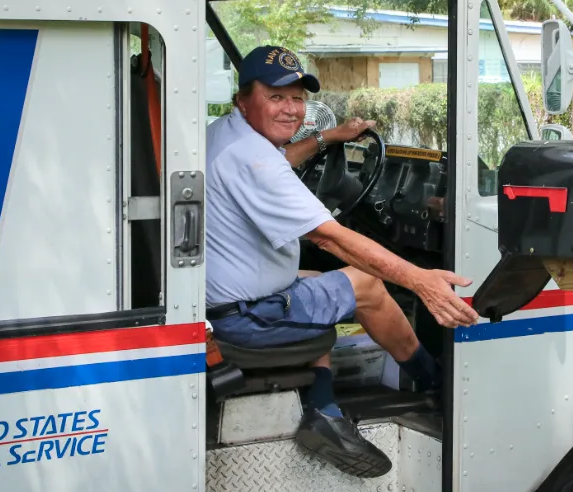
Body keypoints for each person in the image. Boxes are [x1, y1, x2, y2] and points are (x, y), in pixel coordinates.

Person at [204, 45, 479, 478]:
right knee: (364, 284)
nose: (291, 109)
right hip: (243, 319)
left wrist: (328, 139)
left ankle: (322, 404)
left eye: (297, 98)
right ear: (243, 99)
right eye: (276, 97)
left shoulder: (227, 133)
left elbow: (281, 160)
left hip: (223, 296)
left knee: (320, 281)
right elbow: (327, 235)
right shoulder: (254, 160)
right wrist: (420, 279)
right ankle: (431, 383)